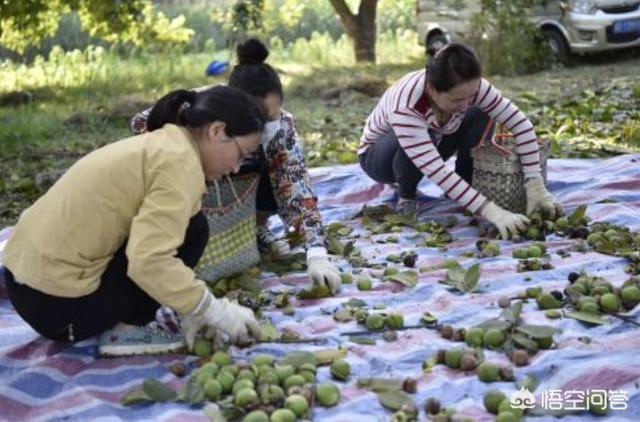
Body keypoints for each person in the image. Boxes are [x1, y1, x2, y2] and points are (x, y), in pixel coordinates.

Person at [2, 86, 265, 356]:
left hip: (23, 284)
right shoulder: (179, 165)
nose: (235, 168)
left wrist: (191, 307)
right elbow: (149, 261)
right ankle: (126, 332)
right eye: (241, 154)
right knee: (193, 232)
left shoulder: (167, 143)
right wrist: (211, 309)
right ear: (217, 131)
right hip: (58, 309)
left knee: (191, 223)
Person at [131, 38, 341, 294]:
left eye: (274, 115)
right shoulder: (201, 108)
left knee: (280, 168)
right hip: (203, 184)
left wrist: (316, 253)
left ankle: (255, 227)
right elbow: (141, 124)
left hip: (251, 182)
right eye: (262, 119)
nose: (270, 124)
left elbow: (297, 187)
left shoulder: (281, 127)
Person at [358, 42, 562, 239]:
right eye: (457, 99)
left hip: (435, 140)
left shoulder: (472, 89)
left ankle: (466, 183)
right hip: (379, 157)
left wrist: (534, 183)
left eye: (470, 96)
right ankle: (407, 196)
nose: (465, 105)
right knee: (422, 133)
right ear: (432, 90)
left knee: (482, 111)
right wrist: (493, 212)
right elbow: (436, 170)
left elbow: (520, 124)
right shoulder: (407, 106)